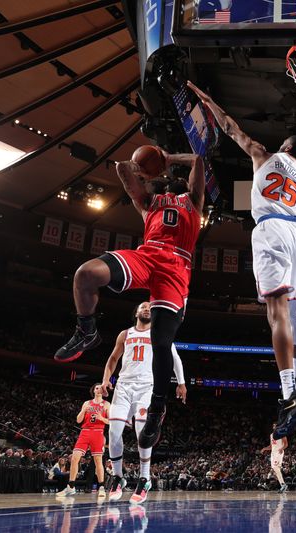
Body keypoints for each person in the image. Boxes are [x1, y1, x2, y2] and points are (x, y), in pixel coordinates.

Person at [186, 80, 296, 438]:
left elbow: (230, 127)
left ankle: (287, 393)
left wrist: (207, 98)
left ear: (286, 147)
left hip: (272, 228)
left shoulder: (264, 155)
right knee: (295, 312)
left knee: (275, 311)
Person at [54, 149, 205, 452]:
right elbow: (124, 172)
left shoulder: (194, 202)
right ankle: (87, 330)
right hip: (147, 255)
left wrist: (168, 156)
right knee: (85, 274)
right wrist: (140, 167)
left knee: (161, 342)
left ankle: (157, 409)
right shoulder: (150, 204)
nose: (171, 182)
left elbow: (199, 162)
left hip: (176, 267)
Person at [101, 301, 187, 504]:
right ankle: (118, 477)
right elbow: (113, 358)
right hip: (123, 386)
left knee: (142, 434)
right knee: (113, 432)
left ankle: (144, 478)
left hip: (146, 387)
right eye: (142, 306)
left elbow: (175, 359)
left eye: (150, 306)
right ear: (136, 312)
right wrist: (106, 379)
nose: (147, 308)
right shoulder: (125, 334)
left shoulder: (159, 333)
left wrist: (181, 383)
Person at [57, 385, 110, 499]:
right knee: (75, 458)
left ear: (103, 391)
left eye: (101, 387)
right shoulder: (87, 403)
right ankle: (71, 486)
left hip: (98, 432)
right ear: (93, 390)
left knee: (98, 460)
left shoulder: (106, 404)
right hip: (85, 432)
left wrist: (102, 418)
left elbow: (110, 421)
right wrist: (84, 411)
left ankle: (101, 487)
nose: (98, 389)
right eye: (96, 388)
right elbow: (78, 420)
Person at [259, 423, 288, 493]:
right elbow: (271, 446)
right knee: (276, 470)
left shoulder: (282, 434)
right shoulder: (271, 435)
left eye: (276, 425)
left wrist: (282, 448)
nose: (275, 427)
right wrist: (264, 449)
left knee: (275, 468)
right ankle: (282, 485)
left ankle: (283, 484)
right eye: (274, 426)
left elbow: (286, 444)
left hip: (279, 452)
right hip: (273, 453)